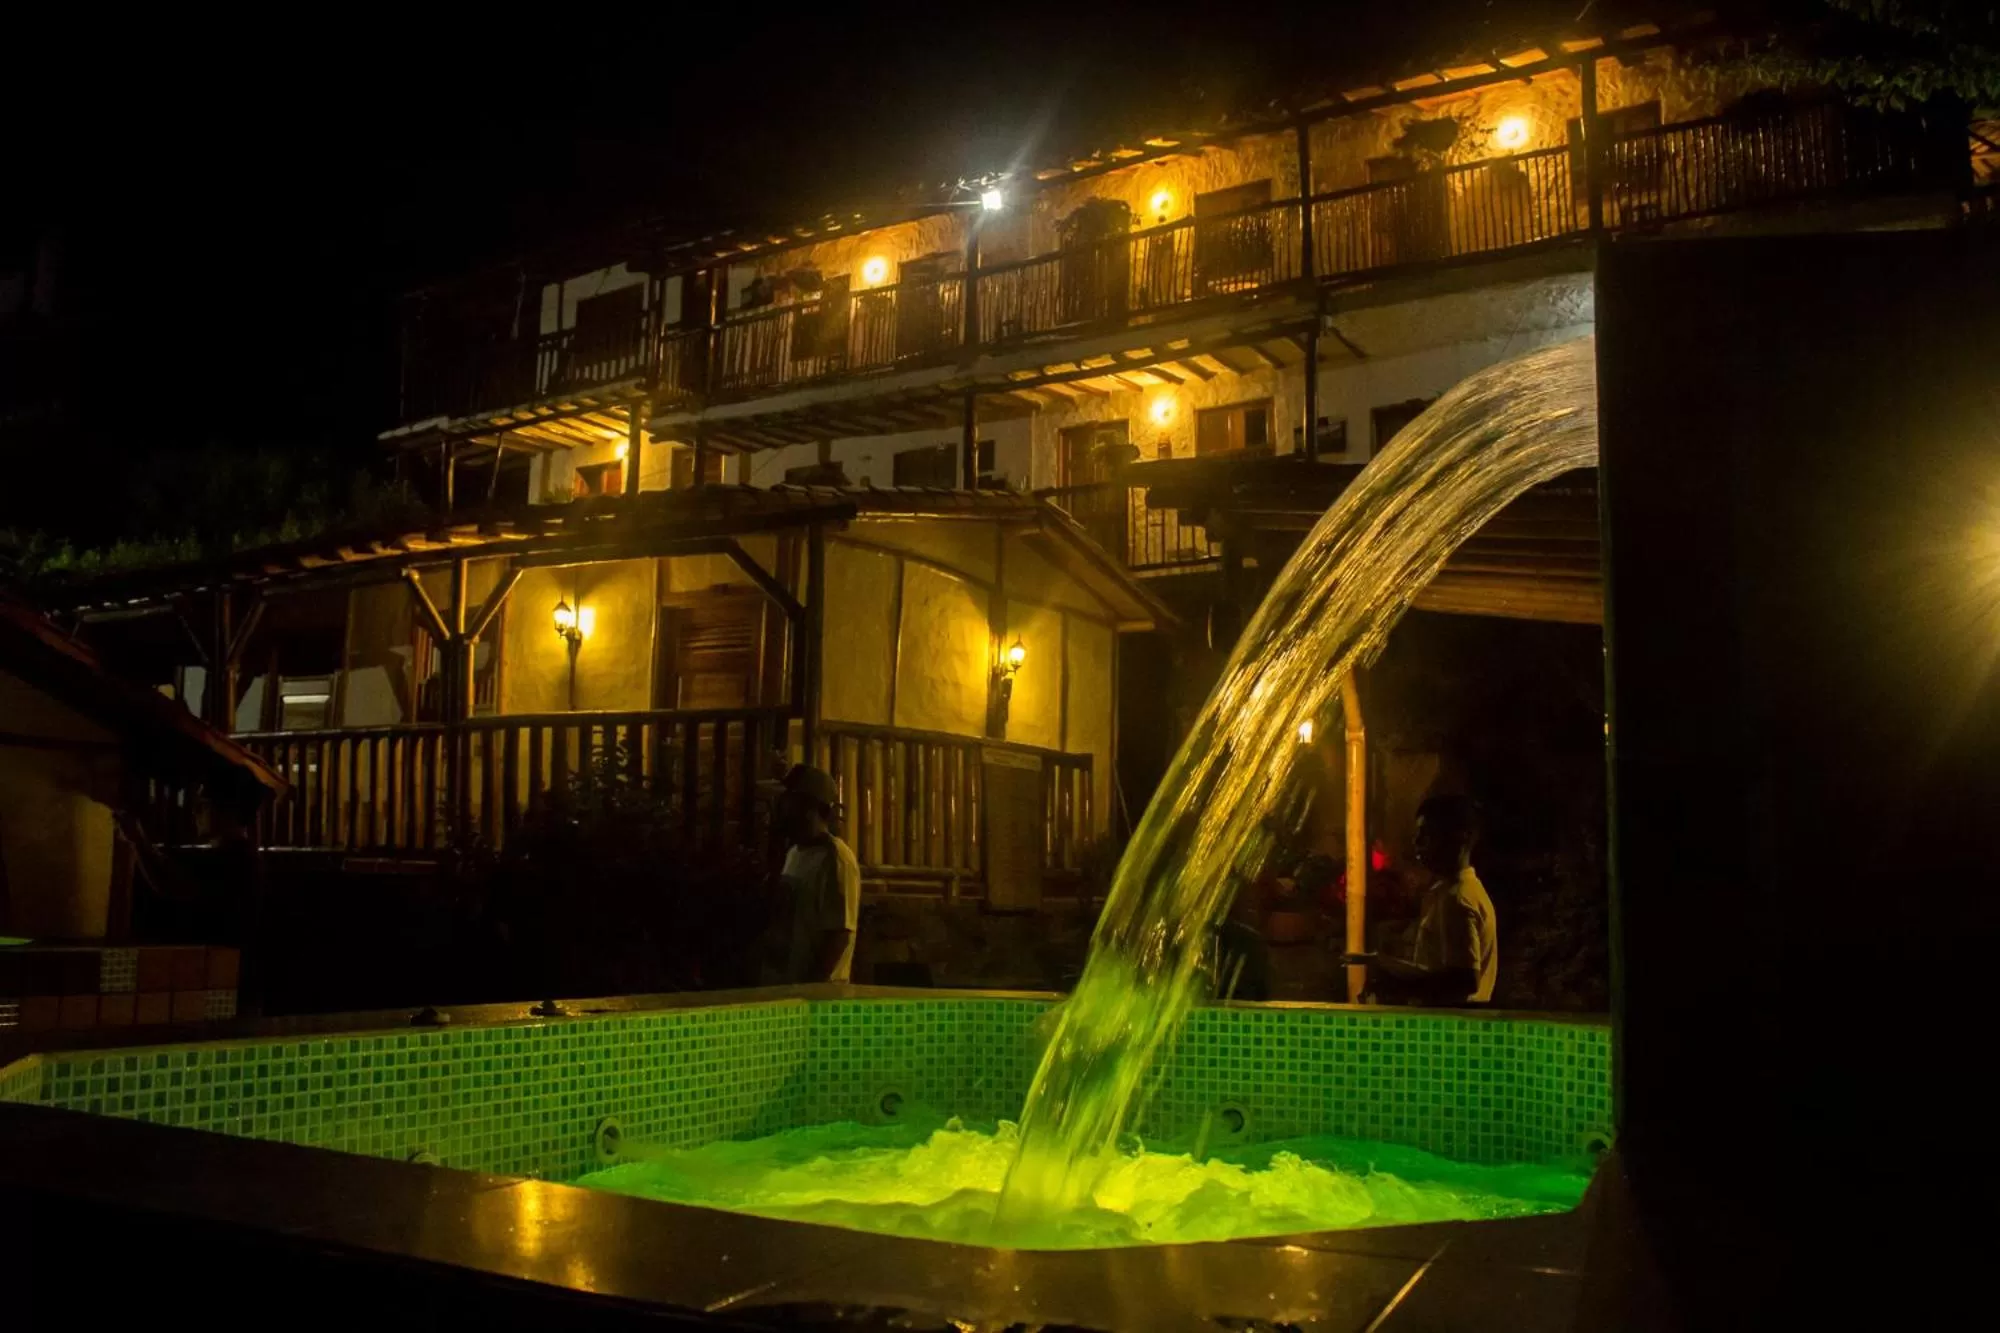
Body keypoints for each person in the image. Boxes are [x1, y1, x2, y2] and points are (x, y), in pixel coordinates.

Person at [1344, 794, 1497, 1005]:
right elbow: (1440, 971)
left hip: (1449, 1031)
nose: (1416, 843)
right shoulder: (1456, 891)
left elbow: (1464, 981)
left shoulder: (1457, 899)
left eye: (1426, 835)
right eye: (1417, 835)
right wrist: (1383, 963)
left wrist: (1395, 985)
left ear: (1460, 837)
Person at [765, 764, 862, 984]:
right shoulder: (795, 853)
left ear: (817, 810)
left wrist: (812, 987)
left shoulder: (836, 859)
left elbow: (839, 934)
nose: (787, 810)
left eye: (796, 804)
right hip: (789, 988)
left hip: (818, 998)